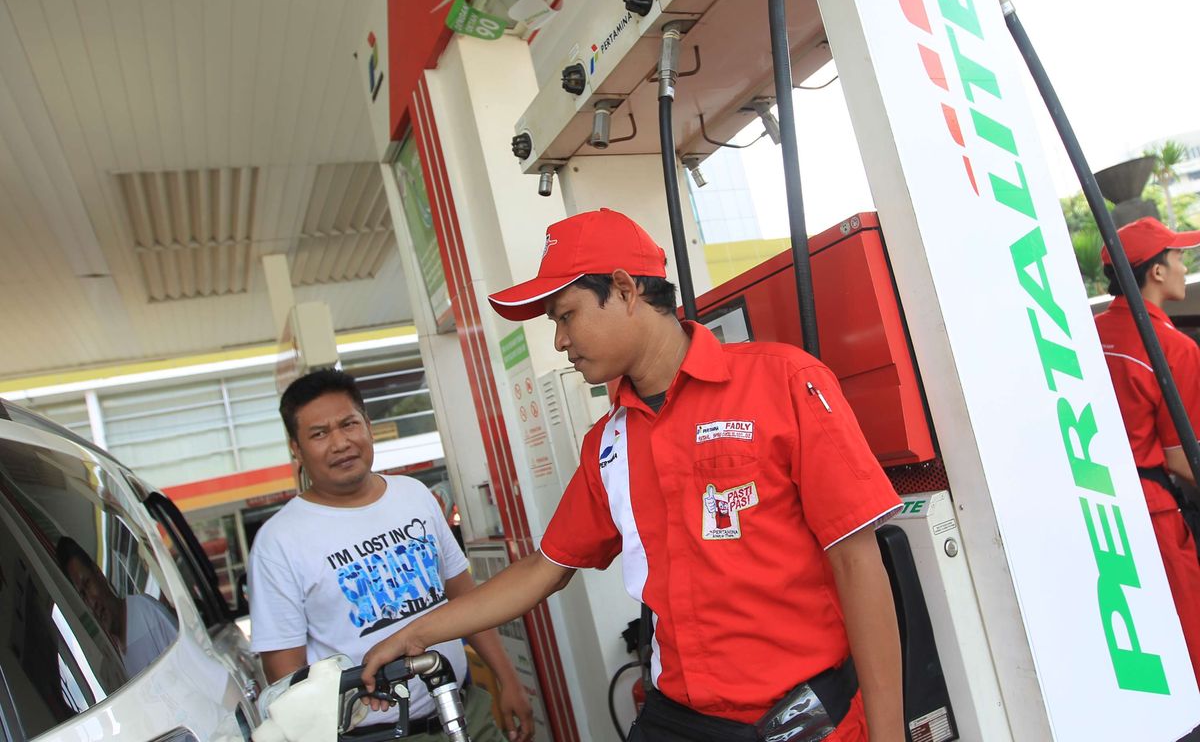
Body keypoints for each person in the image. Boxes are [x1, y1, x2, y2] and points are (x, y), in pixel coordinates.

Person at [361, 208, 905, 741]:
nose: (558, 341)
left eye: (565, 315)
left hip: (801, 719)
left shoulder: (783, 381)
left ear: (624, 289)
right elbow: (543, 569)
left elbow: (858, 564)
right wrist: (416, 634)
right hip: (678, 718)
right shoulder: (608, 443)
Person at [248, 369, 533, 742]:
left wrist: (507, 677)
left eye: (349, 424)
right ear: (297, 449)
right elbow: (287, 676)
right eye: (319, 433)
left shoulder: (413, 496)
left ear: (367, 425)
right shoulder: (278, 541)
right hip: (376, 735)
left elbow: (465, 598)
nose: (340, 443)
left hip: (465, 712)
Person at [1093, 216, 1200, 686]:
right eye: (1178, 256)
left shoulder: (1085, 333)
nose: (1183, 264)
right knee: (1188, 645)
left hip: (1097, 508)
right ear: (1155, 272)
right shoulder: (1174, 348)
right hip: (1154, 514)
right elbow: (1183, 459)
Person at [56, 536, 178, 676]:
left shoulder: (144, 612)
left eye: (88, 584)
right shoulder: (121, 654)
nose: (91, 601)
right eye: (83, 595)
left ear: (98, 574)